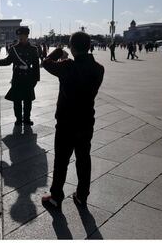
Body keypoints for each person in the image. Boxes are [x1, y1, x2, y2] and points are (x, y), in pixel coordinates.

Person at [41, 31, 104, 209]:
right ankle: (82, 195)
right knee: (84, 159)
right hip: (86, 121)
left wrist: (58, 52)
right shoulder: (99, 69)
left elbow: (45, 63)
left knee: (61, 160)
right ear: (89, 46)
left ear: (72, 48)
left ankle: (55, 197)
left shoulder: (67, 66)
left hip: (66, 122)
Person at [0, 27, 40, 125]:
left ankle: (27, 119)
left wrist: (36, 79)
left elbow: (36, 65)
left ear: (27, 36)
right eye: (19, 35)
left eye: (22, 35)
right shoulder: (14, 48)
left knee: (28, 101)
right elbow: (8, 61)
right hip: (17, 78)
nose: (20, 37)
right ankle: (18, 119)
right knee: (17, 101)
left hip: (28, 78)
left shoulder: (33, 49)